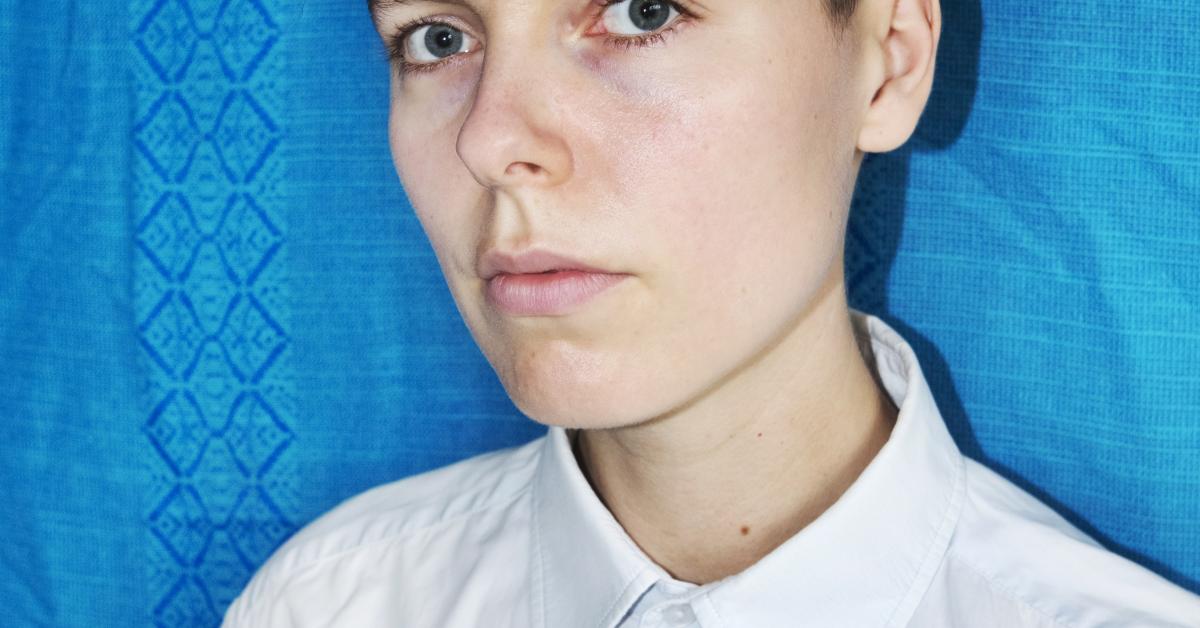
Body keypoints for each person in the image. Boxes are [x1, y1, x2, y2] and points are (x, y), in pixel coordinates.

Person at [223, 0, 1200, 625]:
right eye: (438, 38)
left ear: (891, 61)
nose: (491, 138)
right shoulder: (330, 603)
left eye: (641, 13)